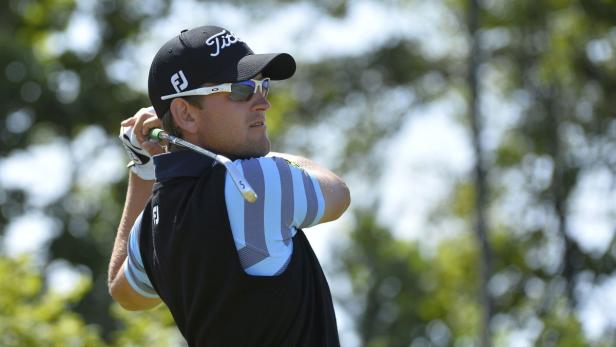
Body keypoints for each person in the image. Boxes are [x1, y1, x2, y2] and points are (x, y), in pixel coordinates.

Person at [107, 25, 350, 347]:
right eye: (240, 90)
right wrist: (253, 155)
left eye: (263, 86)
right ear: (186, 115)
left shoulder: (152, 222)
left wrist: (142, 168)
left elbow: (124, 292)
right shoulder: (253, 183)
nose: (262, 102)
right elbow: (338, 192)